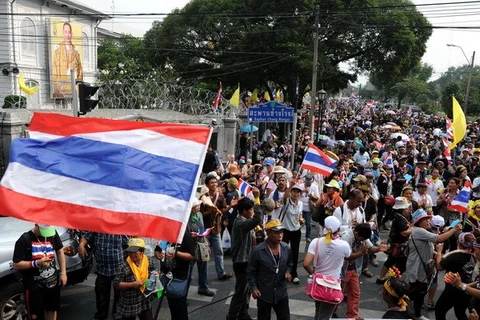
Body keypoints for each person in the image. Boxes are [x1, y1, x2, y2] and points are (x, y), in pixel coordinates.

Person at [404, 209, 462, 320]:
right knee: (415, 292)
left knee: (419, 293)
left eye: (428, 220)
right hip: (416, 268)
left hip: (422, 268)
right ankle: (406, 311)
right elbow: (439, 238)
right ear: (418, 222)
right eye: (425, 220)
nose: (428, 222)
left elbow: (427, 247)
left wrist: (436, 253)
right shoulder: (418, 231)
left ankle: (415, 313)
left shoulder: (422, 232)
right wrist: (454, 229)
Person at [12, 223, 67, 320]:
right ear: (36, 225)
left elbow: (60, 251)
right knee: (35, 315)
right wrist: (36, 263)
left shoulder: (53, 234)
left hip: (52, 281)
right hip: (34, 285)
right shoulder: (25, 239)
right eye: (44, 232)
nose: (47, 235)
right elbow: (16, 264)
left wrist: (63, 272)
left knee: (52, 309)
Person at [303, 216, 351, 320]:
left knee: (318, 311)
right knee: (324, 316)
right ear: (338, 229)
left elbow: (306, 263)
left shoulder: (315, 242)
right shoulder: (344, 245)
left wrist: (313, 274)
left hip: (318, 283)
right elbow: (348, 256)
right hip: (332, 286)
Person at [340, 223, 390, 319]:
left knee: (355, 293)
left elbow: (370, 248)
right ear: (357, 233)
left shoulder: (363, 234)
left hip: (352, 268)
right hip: (342, 269)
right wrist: (362, 253)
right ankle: (332, 313)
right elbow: (347, 256)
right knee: (338, 294)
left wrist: (379, 249)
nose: (363, 241)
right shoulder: (346, 237)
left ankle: (352, 316)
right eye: (362, 239)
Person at [248, 219, 293, 320]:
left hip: (281, 294)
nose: (280, 235)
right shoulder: (258, 250)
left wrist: (287, 272)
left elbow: (290, 264)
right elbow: (251, 271)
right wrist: (254, 288)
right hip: (264, 294)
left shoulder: (286, 248)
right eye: (276, 233)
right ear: (268, 233)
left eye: (281, 232)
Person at [79, 232, 130, 320]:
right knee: (101, 293)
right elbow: (86, 236)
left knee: (119, 294)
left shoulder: (121, 228)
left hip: (119, 269)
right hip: (102, 269)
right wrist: (81, 244)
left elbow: (130, 243)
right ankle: (101, 314)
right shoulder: (98, 225)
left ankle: (118, 313)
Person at [226, 198, 262, 320]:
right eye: (251, 209)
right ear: (244, 211)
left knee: (246, 291)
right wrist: (257, 200)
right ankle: (231, 316)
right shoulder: (240, 223)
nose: (252, 211)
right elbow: (257, 219)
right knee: (240, 293)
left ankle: (243, 314)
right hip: (241, 262)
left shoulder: (244, 220)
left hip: (247, 260)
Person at [434, 232, 476, 320]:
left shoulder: (456, 255)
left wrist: (439, 252)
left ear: (459, 242)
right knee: (460, 312)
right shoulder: (473, 254)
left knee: (439, 310)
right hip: (467, 287)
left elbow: (439, 266)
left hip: (453, 289)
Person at [200, 174, 234, 280]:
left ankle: (221, 273)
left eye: (215, 182)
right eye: (212, 183)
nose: (214, 184)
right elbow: (201, 214)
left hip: (216, 229)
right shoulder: (203, 197)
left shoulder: (220, 196)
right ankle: (203, 279)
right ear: (207, 185)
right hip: (205, 230)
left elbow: (223, 210)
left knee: (219, 252)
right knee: (204, 255)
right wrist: (211, 210)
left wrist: (230, 206)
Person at [114, 238, 156, 320]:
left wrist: (154, 276)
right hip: (130, 303)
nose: (132, 254)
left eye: (135, 252)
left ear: (142, 252)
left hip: (144, 300)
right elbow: (116, 284)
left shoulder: (149, 261)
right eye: (130, 252)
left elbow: (152, 274)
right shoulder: (123, 266)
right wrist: (132, 284)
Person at [377, 197, 413, 283]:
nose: (409, 210)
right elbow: (403, 233)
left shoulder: (399, 217)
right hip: (398, 244)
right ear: (403, 209)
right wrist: (412, 229)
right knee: (400, 263)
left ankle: (382, 277)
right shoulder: (400, 218)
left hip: (397, 243)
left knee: (391, 261)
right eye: (407, 208)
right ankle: (390, 279)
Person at [188, 197, 215, 297]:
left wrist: (206, 244)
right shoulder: (187, 218)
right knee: (188, 271)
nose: (198, 208)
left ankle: (203, 287)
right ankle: (184, 293)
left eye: (199, 205)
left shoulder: (199, 215)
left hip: (201, 244)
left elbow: (203, 230)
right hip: (190, 246)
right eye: (196, 206)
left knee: (203, 267)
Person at [279, 179, 304, 284]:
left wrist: (301, 219)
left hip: (296, 230)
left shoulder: (301, 204)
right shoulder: (287, 201)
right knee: (283, 252)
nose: (296, 194)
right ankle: (282, 272)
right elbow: (284, 197)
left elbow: (299, 215)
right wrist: (290, 186)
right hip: (285, 230)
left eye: (298, 192)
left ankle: (294, 274)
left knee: (295, 253)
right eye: (294, 191)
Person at [53, 22, 83, 98]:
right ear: (63, 33)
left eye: (69, 32)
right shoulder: (58, 50)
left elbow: (80, 70)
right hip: (61, 88)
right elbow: (55, 70)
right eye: (66, 32)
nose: (68, 35)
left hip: (73, 87)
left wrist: (78, 87)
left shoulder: (75, 51)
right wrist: (59, 87)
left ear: (72, 34)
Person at [299, 174, 320, 243]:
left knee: (308, 223)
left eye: (309, 182)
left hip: (308, 208)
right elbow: (296, 194)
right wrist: (303, 191)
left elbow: (317, 198)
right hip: (300, 207)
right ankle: (297, 235)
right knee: (298, 222)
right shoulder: (301, 186)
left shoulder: (314, 187)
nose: (308, 183)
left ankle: (307, 236)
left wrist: (311, 196)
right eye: (307, 182)